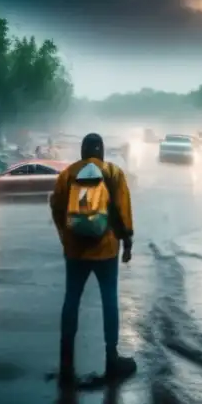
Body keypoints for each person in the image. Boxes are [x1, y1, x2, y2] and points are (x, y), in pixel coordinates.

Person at [50, 132, 137, 385]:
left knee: (71, 301)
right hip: (106, 249)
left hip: (75, 251)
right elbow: (123, 210)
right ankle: (112, 358)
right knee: (109, 300)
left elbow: (56, 207)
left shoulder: (68, 174)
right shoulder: (113, 173)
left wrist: (66, 236)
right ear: (102, 151)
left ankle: (66, 361)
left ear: (82, 150)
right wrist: (128, 241)